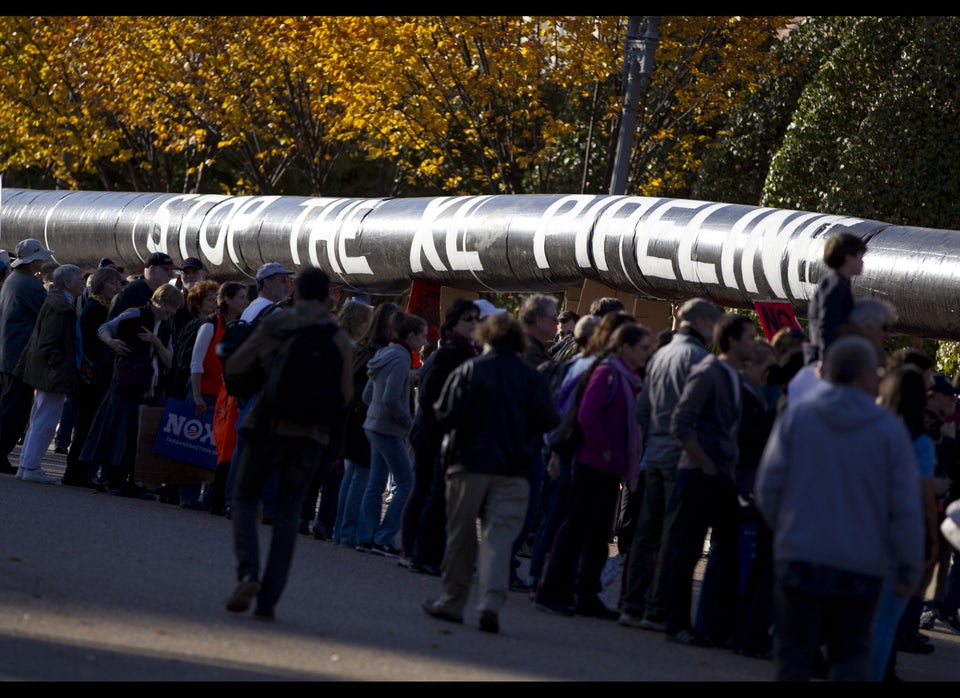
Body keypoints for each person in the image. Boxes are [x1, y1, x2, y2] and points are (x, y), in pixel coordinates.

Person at [755, 334, 924, 682]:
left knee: (793, 658)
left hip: (800, 554)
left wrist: (785, 531)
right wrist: (910, 565)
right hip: (860, 563)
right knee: (849, 659)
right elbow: (904, 506)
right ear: (864, 375)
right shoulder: (888, 430)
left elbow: (768, 486)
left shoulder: (799, 416)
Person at [224, 267, 353, 621]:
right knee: (288, 513)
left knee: (246, 499)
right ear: (327, 295)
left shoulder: (279, 323)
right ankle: (269, 601)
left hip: (268, 423)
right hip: (310, 436)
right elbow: (344, 397)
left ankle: (248, 572)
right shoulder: (338, 338)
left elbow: (237, 366)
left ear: (297, 292)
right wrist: (333, 447)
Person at [422, 312, 559, 634]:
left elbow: (443, 412)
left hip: (468, 463)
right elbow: (549, 419)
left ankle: (453, 600)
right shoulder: (531, 377)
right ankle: (490, 604)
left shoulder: (470, 369)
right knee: (499, 537)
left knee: (460, 535)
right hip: (515, 468)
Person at [533, 322, 651, 619]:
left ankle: (586, 595)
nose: (647, 354)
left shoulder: (628, 376)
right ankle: (551, 590)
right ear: (624, 347)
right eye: (643, 348)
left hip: (609, 468)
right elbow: (588, 415)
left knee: (598, 536)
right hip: (592, 464)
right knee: (575, 529)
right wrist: (607, 449)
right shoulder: (607, 372)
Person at [618, 297, 723, 630]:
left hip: (656, 454)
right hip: (682, 458)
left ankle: (631, 605)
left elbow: (644, 409)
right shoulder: (700, 359)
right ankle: (656, 608)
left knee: (645, 534)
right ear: (703, 322)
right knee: (673, 537)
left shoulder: (660, 354)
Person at [661, 313, 758, 647]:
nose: (754, 343)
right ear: (731, 341)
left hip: (721, 477)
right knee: (686, 551)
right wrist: (706, 464)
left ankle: (713, 626)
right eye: (749, 337)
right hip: (699, 474)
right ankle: (676, 622)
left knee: (726, 550)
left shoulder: (737, 377)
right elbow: (681, 423)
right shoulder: (708, 373)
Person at [870, 364, 943, 681]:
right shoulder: (919, 441)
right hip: (898, 535)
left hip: (862, 531)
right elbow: (923, 492)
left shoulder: (870, 428)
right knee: (885, 621)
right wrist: (932, 536)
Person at [82, 283, 184, 496]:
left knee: (141, 437)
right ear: (160, 301)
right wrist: (113, 343)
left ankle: (133, 480)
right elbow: (105, 328)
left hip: (152, 387)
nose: (172, 313)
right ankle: (114, 479)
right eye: (170, 307)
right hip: (130, 383)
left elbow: (170, 360)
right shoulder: (135, 314)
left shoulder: (165, 326)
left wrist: (157, 343)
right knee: (122, 433)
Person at [402, 299, 481, 573]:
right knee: (430, 496)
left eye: (476, 319)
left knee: (430, 496)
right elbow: (429, 397)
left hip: (439, 435)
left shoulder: (466, 350)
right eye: (468, 318)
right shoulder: (450, 352)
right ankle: (419, 552)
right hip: (435, 437)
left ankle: (421, 551)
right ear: (455, 322)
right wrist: (442, 434)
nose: (474, 324)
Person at [221, 262, 294, 521]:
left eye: (286, 280)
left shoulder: (249, 310)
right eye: (280, 279)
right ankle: (264, 507)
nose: (286, 284)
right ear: (265, 283)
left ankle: (242, 502)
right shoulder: (273, 313)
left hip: (245, 384)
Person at [299, 298, 374, 540]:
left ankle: (306, 516)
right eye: (365, 322)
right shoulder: (350, 346)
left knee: (318, 469)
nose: (367, 326)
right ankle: (324, 520)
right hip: (336, 414)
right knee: (332, 471)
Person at [355, 311, 428, 557]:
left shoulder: (384, 353)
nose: (425, 342)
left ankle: (366, 535)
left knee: (375, 484)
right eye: (422, 337)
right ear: (411, 335)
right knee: (405, 482)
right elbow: (391, 398)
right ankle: (385, 536)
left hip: (373, 424)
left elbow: (368, 394)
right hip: (388, 429)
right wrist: (407, 422)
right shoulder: (400, 358)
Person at [332, 302, 400, 548]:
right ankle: (348, 532)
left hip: (353, 415)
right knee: (361, 476)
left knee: (352, 476)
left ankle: (342, 530)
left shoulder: (363, 346)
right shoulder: (381, 350)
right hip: (365, 417)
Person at [12, 265, 86, 484]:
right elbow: (49, 343)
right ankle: (31, 466)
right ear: (67, 283)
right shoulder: (60, 306)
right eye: (80, 279)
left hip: (46, 370)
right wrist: (60, 367)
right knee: (45, 421)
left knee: (39, 419)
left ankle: (26, 465)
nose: (83, 282)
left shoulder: (56, 303)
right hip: (52, 373)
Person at [61, 265, 126, 488]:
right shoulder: (95, 310)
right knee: (85, 426)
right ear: (101, 284)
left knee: (88, 426)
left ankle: (80, 471)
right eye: (113, 282)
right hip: (90, 377)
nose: (117, 286)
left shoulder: (104, 308)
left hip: (94, 375)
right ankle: (75, 472)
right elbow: (88, 346)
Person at [0, 238, 55, 474]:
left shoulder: (13, 281)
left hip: (8, 353)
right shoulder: (29, 286)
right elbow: (48, 314)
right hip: (19, 357)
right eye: (41, 257)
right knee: (15, 409)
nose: (43, 261)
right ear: (33, 261)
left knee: (8, 404)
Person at [802, 229, 867, 366]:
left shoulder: (839, 282)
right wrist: (824, 360)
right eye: (860, 257)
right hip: (828, 360)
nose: (862, 262)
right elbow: (827, 323)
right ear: (848, 258)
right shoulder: (835, 285)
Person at [108, 251, 180, 320]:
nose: (170, 275)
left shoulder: (167, 295)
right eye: (167, 270)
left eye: (171, 272)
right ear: (152, 269)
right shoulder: (129, 293)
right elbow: (112, 325)